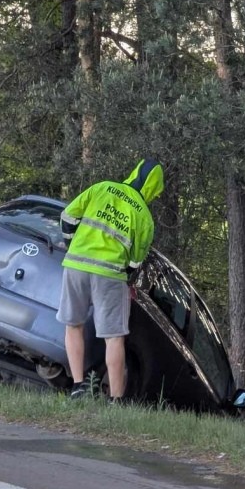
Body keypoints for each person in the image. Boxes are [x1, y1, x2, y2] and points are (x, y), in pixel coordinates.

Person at [57, 158, 164, 402]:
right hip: (110, 274)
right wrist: (127, 278)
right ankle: (115, 399)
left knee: (73, 325)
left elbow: (68, 216)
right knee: (113, 337)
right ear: (152, 188)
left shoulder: (102, 187)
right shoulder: (144, 216)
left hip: (76, 264)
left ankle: (77, 386)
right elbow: (136, 261)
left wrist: (71, 244)